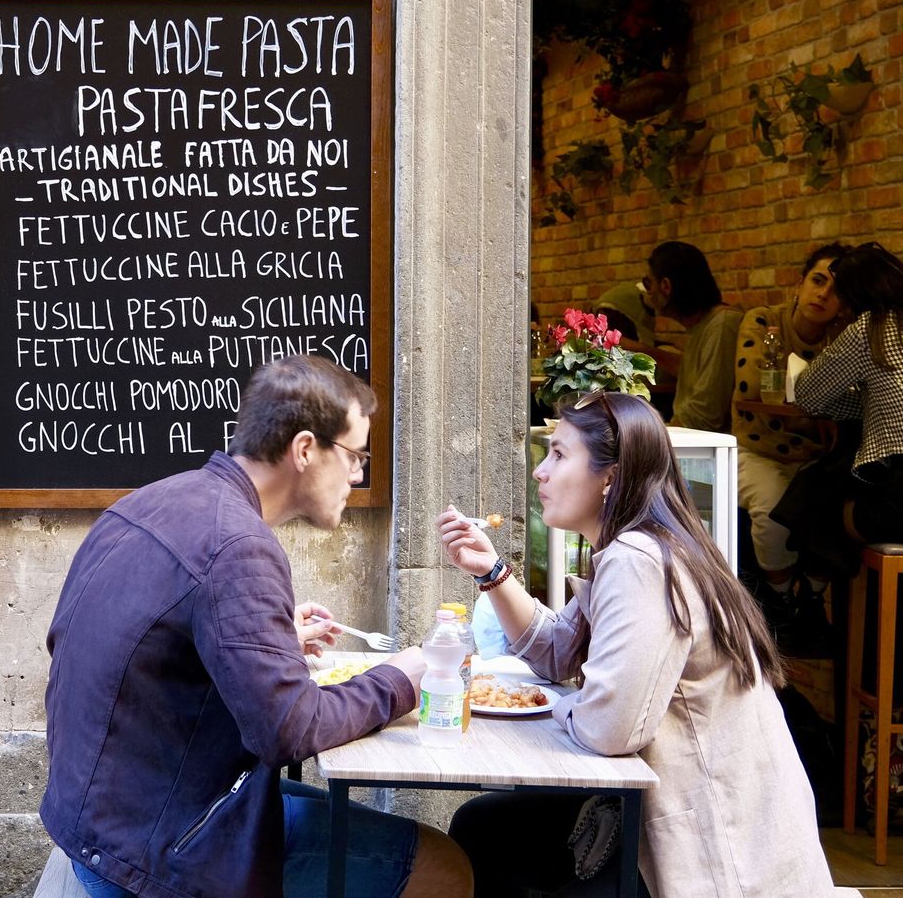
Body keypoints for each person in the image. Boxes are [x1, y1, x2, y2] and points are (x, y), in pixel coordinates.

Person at [41, 354, 472, 898]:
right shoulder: (238, 545)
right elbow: (289, 731)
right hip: (157, 850)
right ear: (306, 449)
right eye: (356, 456)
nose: (360, 474)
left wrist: (269, 641)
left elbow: (119, 646)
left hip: (103, 820)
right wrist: (405, 677)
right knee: (445, 866)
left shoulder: (154, 500)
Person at [437, 391, 852, 897]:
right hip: (693, 816)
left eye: (560, 454)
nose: (540, 472)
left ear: (610, 476)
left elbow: (610, 729)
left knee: (489, 834)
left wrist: (564, 707)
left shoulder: (639, 559)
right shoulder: (644, 544)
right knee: (489, 826)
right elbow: (557, 651)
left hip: (712, 848)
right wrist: (492, 573)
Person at [732, 242, 848, 647]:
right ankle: (781, 602)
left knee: (836, 505)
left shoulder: (842, 339)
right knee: (774, 509)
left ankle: (812, 600)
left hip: (813, 458)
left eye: (835, 290)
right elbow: (755, 393)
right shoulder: (764, 322)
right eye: (817, 281)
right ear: (798, 284)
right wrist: (817, 415)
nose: (823, 295)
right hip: (757, 449)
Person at [792, 241, 903, 548]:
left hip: (899, 496)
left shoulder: (869, 328)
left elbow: (808, 395)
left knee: (826, 503)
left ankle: (805, 590)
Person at [642, 241, 742, 431]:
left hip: (713, 449)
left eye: (649, 282)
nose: (648, 291)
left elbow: (706, 415)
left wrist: (657, 440)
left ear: (665, 286)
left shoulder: (722, 325)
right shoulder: (700, 328)